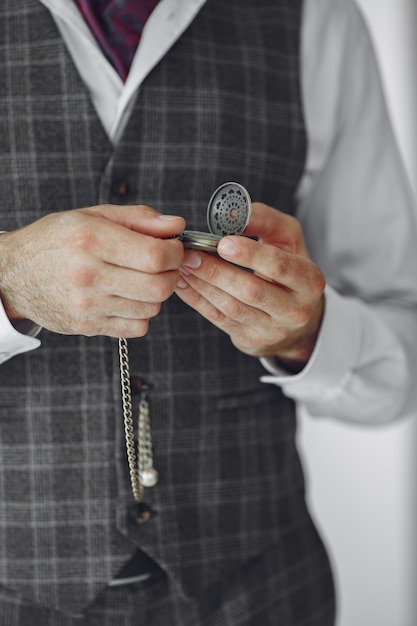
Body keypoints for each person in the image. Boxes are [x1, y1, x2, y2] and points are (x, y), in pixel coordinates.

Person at [0, 0, 416, 624]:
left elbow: (400, 358)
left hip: (263, 592)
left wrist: (309, 334)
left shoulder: (317, 17)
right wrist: (10, 282)